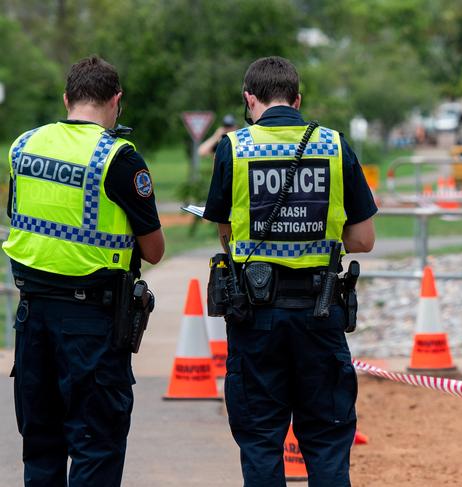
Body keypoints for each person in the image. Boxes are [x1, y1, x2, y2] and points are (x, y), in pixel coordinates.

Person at [203, 56, 376, 486]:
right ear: (297, 99)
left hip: (255, 315)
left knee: (262, 441)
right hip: (320, 314)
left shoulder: (234, 146)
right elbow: (363, 240)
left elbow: (227, 233)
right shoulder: (335, 146)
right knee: (327, 440)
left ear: (249, 99)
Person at [4, 56, 165, 486]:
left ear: (66, 98)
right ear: (117, 101)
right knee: (96, 447)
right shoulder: (119, 159)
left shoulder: (24, 146)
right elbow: (154, 250)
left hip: (33, 320)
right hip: (92, 327)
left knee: (41, 448)